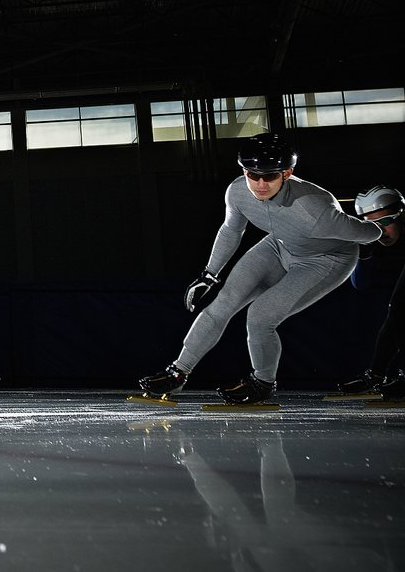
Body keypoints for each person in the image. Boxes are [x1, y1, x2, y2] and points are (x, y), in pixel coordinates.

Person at [136, 134, 390, 405]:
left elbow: (369, 233)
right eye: (252, 174)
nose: (259, 184)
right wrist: (209, 274)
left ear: (287, 173)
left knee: (259, 317)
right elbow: (231, 230)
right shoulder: (237, 192)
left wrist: (383, 228)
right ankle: (177, 373)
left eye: (269, 177)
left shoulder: (315, 210)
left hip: (326, 258)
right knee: (223, 302)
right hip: (278, 244)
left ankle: (263, 384)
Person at [334, 185, 404, 398]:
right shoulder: (373, 238)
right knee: (397, 310)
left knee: (400, 307)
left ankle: (377, 373)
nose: (379, 231)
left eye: (384, 222)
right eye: (371, 225)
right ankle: (377, 374)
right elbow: (361, 284)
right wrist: (362, 255)